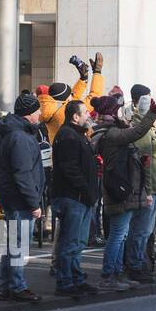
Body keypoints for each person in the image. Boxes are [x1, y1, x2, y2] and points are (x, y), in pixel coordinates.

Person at [94, 94, 156, 289]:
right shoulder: (113, 133)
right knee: (118, 235)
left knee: (121, 233)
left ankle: (116, 273)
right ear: (112, 112)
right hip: (120, 189)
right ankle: (108, 275)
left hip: (122, 188)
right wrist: (151, 114)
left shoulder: (112, 131)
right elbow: (136, 133)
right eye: (118, 108)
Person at [0, 93, 45, 303]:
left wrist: (0, 186)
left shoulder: (8, 132)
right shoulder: (20, 137)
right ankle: (17, 286)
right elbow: (23, 173)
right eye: (37, 110)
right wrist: (34, 203)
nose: (40, 113)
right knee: (19, 244)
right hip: (21, 200)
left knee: (12, 244)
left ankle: (6, 285)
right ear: (29, 113)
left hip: (11, 196)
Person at [48, 100, 102, 298]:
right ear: (75, 117)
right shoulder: (69, 136)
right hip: (73, 197)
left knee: (77, 242)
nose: (89, 115)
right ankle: (65, 281)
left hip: (80, 197)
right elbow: (70, 168)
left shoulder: (76, 134)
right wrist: (86, 190)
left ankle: (76, 278)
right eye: (85, 112)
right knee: (70, 242)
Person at [129, 85, 156, 275]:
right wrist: (150, 191)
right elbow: (147, 165)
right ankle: (137, 265)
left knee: (147, 229)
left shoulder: (149, 129)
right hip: (149, 190)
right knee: (142, 230)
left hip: (155, 188)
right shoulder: (143, 131)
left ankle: (143, 263)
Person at [38, 53, 105, 143]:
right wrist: (97, 73)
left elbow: (73, 97)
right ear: (65, 98)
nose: (72, 94)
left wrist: (83, 79)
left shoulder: (50, 107)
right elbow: (94, 97)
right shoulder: (65, 111)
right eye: (70, 93)